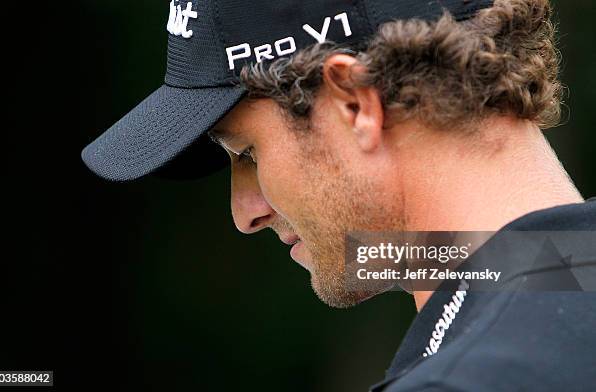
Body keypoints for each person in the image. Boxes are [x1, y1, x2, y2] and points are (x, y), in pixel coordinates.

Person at [82, 0, 596, 390]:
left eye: (248, 153)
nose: (246, 214)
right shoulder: (570, 275)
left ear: (356, 106)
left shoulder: (475, 378)